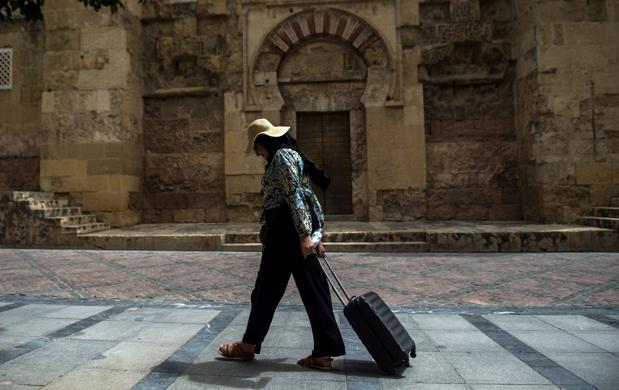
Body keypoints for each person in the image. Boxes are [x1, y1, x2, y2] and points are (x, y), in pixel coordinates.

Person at [217, 118, 346, 370]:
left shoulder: (282, 158)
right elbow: (309, 197)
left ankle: (249, 344)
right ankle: (322, 352)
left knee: (267, 291)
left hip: (285, 234)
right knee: (312, 291)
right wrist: (315, 233)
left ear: (264, 142)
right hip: (293, 233)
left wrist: (306, 235)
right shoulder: (290, 155)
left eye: (256, 147)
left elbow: (296, 196)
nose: (256, 153)